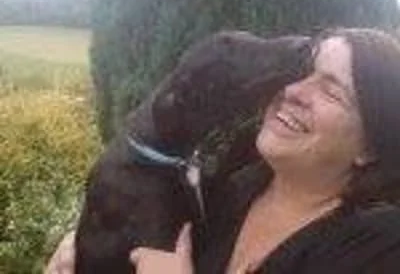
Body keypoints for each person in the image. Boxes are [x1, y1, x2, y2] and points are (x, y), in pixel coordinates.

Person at [46, 28, 400, 274]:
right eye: (303, 72)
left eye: (332, 92)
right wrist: (82, 248)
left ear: (370, 148)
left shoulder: (380, 247)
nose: (294, 91)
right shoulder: (229, 184)